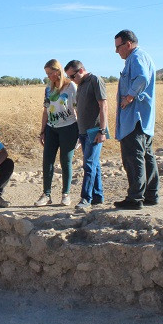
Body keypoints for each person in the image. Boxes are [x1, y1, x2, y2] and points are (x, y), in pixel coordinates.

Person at [114, 29, 159, 210]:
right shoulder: (142, 56)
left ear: (128, 44)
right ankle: (151, 194)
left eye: (118, 47)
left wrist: (129, 97)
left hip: (135, 118)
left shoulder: (136, 57)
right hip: (143, 119)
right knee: (147, 156)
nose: (117, 52)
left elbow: (142, 77)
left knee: (133, 158)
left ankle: (135, 198)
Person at [63, 60, 108, 211]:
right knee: (94, 164)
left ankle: (86, 198)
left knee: (88, 164)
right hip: (82, 132)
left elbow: (103, 106)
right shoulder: (80, 84)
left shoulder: (95, 80)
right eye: (69, 77)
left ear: (81, 70)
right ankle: (97, 196)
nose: (71, 80)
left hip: (94, 131)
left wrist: (102, 130)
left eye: (72, 76)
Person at [35, 59, 79, 207]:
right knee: (47, 161)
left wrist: (80, 132)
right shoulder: (48, 89)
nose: (48, 76)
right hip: (51, 128)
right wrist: (42, 131)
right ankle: (46, 194)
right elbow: (45, 110)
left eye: (49, 73)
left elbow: (77, 108)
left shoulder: (71, 86)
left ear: (57, 71)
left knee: (65, 161)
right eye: (46, 73)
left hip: (69, 127)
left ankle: (65, 194)